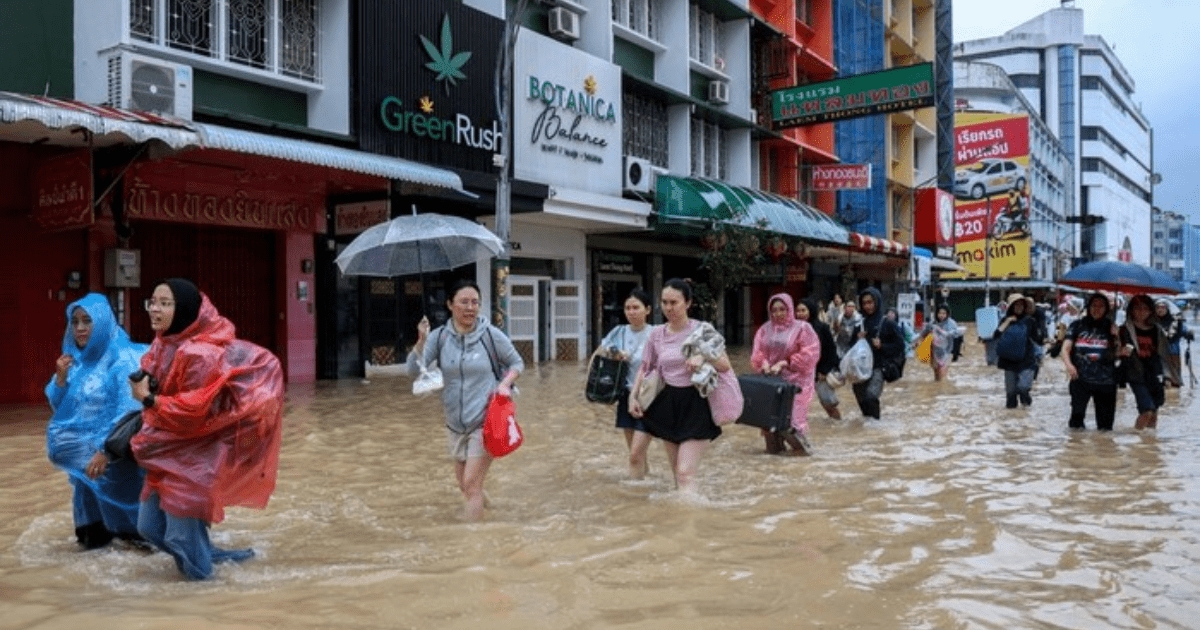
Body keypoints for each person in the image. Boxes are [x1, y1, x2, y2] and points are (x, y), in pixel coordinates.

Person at [130, 279, 284, 579]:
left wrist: (149, 398)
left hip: (194, 459)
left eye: (164, 303)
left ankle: (203, 597)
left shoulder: (200, 353)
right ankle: (214, 558)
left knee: (179, 537)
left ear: (184, 309)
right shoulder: (163, 342)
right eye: (152, 301)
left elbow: (193, 412)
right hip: (166, 451)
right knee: (149, 528)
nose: (154, 308)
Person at [409, 280, 523, 520]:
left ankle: (475, 544)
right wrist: (421, 342)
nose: (470, 307)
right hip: (454, 424)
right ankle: (494, 515)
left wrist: (504, 384)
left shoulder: (491, 335)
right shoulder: (439, 337)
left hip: (485, 421)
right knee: (465, 485)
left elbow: (517, 363)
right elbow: (413, 371)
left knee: (470, 485)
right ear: (450, 304)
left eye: (475, 302)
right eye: (464, 302)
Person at [44, 293, 147, 549]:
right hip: (85, 472)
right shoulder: (76, 362)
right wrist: (60, 380)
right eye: (75, 321)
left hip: (112, 461)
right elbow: (63, 412)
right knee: (92, 547)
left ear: (101, 321)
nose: (79, 328)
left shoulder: (122, 359)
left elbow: (129, 410)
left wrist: (105, 450)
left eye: (87, 321)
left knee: (136, 548)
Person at [629, 279, 730, 494]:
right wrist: (633, 396)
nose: (668, 308)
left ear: (688, 303)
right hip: (668, 403)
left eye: (674, 302)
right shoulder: (656, 334)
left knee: (685, 472)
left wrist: (703, 357)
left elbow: (725, 365)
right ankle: (678, 520)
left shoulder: (703, 330)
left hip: (697, 403)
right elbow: (646, 368)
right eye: (664, 302)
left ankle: (690, 523)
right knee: (677, 473)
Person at [592, 288, 655, 479]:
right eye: (628, 308)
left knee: (635, 453)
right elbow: (599, 354)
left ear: (648, 310)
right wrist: (614, 355)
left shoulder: (656, 334)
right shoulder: (618, 332)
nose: (631, 312)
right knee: (634, 451)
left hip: (649, 395)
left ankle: (637, 488)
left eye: (636, 307)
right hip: (625, 394)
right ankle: (644, 477)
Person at [750, 293, 819, 455]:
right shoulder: (764, 330)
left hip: (797, 383)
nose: (778, 313)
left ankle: (803, 457)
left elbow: (810, 354)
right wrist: (764, 364)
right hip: (771, 382)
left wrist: (785, 362)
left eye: (782, 309)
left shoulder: (803, 328)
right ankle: (775, 464)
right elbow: (757, 353)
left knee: (792, 424)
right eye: (774, 310)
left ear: (789, 309)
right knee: (770, 424)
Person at [1119, 295, 1180, 430]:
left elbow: (1164, 355)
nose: (1141, 312)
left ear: (1150, 311)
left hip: (1155, 373)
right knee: (1147, 410)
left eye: (1145, 308)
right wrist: (1119, 348)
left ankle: (1149, 444)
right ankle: (1136, 439)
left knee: (1155, 410)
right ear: (1131, 310)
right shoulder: (1124, 330)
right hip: (1135, 373)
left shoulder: (1157, 330)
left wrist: (1168, 376)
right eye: (1137, 308)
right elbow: (1114, 350)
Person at [1060, 293, 1119, 431]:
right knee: (1076, 422)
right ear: (1088, 307)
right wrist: (1069, 366)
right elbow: (1065, 349)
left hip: (1107, 381)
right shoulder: (1076, 325)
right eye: (1094, 305)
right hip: (1080, 378)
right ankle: (1076, 449)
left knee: (1105, 427)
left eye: (1101, 306)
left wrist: (1116, 337)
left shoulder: (1112, 327)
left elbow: (1119, 353)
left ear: (1106, 309)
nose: (1097, 309)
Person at [852, 288, 905, 420]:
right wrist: (857, 339)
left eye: (870, 302)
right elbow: (850, 347)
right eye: (864, 303)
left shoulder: (888, 323)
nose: (867, 306)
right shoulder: (859, 323)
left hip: (879, 368)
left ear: (877, 302)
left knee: (871, 397)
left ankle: (876, 425)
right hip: (860, 369)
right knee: (863, 402)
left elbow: (900, 346)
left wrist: (882, 346)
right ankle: (867, 432)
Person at [994, 293, 1044, 408]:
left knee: (1023, 388)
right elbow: (996, 335)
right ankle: (1011, 421)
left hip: (1026, 360)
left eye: (1022, 305)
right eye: (1016, 305)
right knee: (1010, 394)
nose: (1019, 307)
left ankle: (1025, 412)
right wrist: (1007, 322)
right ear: (1011, 307)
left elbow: (1038, 339)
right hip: (1008, 361)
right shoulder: (1005, 320)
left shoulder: (1030, 321)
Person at [797, 297, 841, 420]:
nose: (800, 314)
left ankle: (838, 426)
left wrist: (825, 371)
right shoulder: (795, 330)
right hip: (802, 373)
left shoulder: (822, 328)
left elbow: (831, 351)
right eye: (798, 311)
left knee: (827, 404)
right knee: (798, 404)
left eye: (803, 310)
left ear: (811, 311)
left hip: (821, 373)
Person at [915, 304, 962, 381]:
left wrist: (948, 334)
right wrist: (918, 341)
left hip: (947, 351)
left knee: (942, 375)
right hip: (934, 351)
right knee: (936, 376)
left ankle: (943, 390)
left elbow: (957, 333)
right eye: (940, 313)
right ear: (937, 313)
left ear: (947, 314)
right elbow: (924, 332)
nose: (941, 315)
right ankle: (937, 391)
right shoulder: (933, 322)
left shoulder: (951, 323)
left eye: (944, 313)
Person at [1155, 298, 1192, 387]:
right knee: (1158, 381)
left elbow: (1184, 331)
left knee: (1175, 381)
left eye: (1163, 307)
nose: (1160, 310)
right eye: (1158, 308)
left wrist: (1189, 335)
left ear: (1167, 309)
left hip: (1173, 354)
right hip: (1157, 354)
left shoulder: (1176, 321)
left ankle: (1175, 398)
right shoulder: (1152, 322)